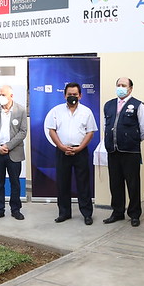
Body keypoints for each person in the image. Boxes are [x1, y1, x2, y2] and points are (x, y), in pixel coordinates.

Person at [45, 82, 97, 225]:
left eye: (75, 94)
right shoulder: (56, 111)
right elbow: (51, 130)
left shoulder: (86, 111)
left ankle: (87, 214)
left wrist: (80, 147)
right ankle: (64, 213)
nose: (72, 97)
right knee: (62, 183)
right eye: (69, 95)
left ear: (80, 95)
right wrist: (61, 146)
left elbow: (90, 132)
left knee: (83, 184)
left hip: (80, 152)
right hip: (62, 152)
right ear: (64, 95)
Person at [102, 77, 144, 227]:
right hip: (113, 150)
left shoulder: (138, 105)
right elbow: (106, 126)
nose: (120, 88)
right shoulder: (108, 105)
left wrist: (133, 140)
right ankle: (117, 212)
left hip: (130, 152)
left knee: (133, 183)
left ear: (130, 89)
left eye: (123, 85)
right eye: (118, 85)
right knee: (115, 183)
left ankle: (134, 214)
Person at [0, 85, 28, 221]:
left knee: (15, 183)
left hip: (13, 152)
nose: (1, 97)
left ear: (11, 96)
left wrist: (8, 146)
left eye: (3, 94)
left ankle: (15, 209)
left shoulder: (20, 110)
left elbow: (23, 132)